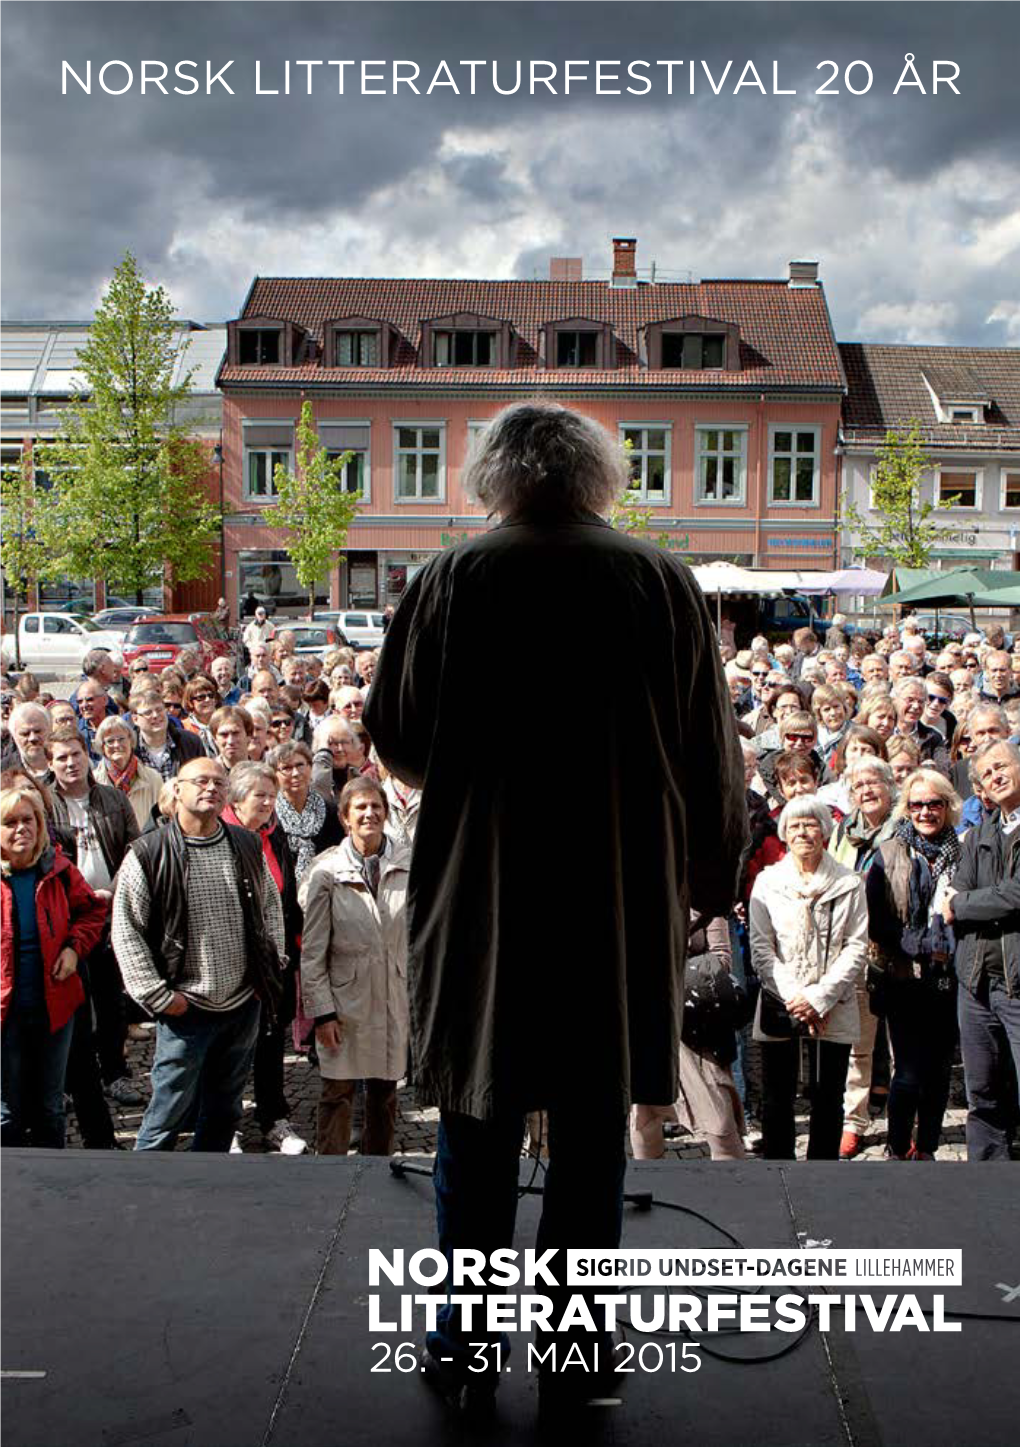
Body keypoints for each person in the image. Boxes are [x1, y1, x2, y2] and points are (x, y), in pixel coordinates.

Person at [365, 401, 747, 1414]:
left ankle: (462, 1338)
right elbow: (715, 753)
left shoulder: (453, 577)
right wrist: (710, 873)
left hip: (483, 886)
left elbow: (396, 734)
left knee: (477, 1120)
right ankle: (576, 1347)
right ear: (598, 475)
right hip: (615, 891)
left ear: (493, 475)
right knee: (589, 1129)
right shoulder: (660, 579)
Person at [111, 757, 286, 1152]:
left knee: (224, 1113)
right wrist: (158, 997)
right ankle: (142, 1195)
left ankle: (208, 1189)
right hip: (185, 1009)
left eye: (219, 783)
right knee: (165, 1116)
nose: (210, 788)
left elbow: (271, 908)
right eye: (201, 781)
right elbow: (126, 931)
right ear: (177, 789)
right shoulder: (147, 853)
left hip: (242, 1006)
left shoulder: (245, 843)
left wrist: (270, 971)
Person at [750, 798, 868, 1160]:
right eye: (795, 825)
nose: (803, 832)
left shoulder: (849, 883)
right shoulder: (768, 882)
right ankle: (777, 1172)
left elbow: (856, 946)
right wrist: (795, 997)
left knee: (830, 1096)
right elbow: (761, 948)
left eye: (811, 824)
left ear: (825, 830)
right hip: (780, 1001)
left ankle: (822, 1176)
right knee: (777, 1097)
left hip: (834, 1003)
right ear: (784, 833)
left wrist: (819, 998)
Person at [300, 776, 411, 1156]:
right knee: (338, 1093)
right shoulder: (326, 871)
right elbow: (313, 950)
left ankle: (379, 1172)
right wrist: (322, 1013)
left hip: (393, 995)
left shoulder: (409, 863)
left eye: (376, 806)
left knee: (384, 1095)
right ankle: (328, 1174)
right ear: (345, 817)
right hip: (344, 1002)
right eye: (360, 807)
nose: (370, 813)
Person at [1, 783, 107, 1146]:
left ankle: (54, 1185)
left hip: (53, 1004)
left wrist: (74, 949)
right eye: (10, 822)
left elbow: (92, 911)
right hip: (5, 1011)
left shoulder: (58, 869)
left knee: (50, 1105)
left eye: (27, 820)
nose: (21, 829)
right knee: (6, 1110)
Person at [866, 768, 962, 1159]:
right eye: (918, 804)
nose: (925, 812)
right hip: (902, 975)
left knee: (938, 1073)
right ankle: (896, 1144)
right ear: (907, 808)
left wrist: (947, 948)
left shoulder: (964, 851)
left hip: (948, 978)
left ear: (947, 807)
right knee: (906, 1073)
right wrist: (923, 946)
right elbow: (876, 920)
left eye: (934, 804)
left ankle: (926, 1148)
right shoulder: (888, 853)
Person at [48, 727, 143, 1107]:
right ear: (51, 763)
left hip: (109, 916)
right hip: (66, 919)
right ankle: (72, 1080)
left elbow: (134, 850)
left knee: (110, 1002)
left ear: (88, 756)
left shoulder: (111, 799)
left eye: (76, 754)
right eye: (61, 757)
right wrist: (80, 897)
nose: (70, 763)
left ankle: (115, 1073)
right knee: (72, 1003)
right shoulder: (45, 804)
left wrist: (114, 891)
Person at [942, 740, 1020, 1160]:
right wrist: (965, 900)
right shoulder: (981, 832)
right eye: (987, 774)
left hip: (1017, 982)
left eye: (1002, 766)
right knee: (983, 1090)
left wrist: (961, 905)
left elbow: (1014, 895)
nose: (995, 776)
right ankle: (989, 1184)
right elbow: (962, 882)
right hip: (975, 981)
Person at [223, 763, 306, 1155]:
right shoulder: (218, 835)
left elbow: (286, 896)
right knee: (229, 1051)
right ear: (237, 799)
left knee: (271, 1046)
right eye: (261, 796)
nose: (270, 803)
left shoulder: (275, 835)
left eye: (272, 796)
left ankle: (274, 1119)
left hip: (274, 965)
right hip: (230, 966)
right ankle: (226, 1124)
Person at [630, 913, 747, 1161]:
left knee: (718, 1115)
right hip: (650, 1021)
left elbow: (721, 961)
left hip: (695, 1024)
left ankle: (736, 1188)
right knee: (644, 1114)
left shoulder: (703, 894)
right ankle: (649, 1183)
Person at [828, 757, 899, 1159]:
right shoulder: (843, 831)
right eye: (858, 786)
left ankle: (908, 1122)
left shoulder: (904, 829)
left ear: (889, 786)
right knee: (860, 1043)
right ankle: (853, 1121)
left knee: (903, 1045)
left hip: (900, 949)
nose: (866, 791)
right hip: (857, 949)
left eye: (874, 783)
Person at [271, 741, 343, 877]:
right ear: (275, 774)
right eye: (286, 768)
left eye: (300, 765)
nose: (295, 773)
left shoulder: (330, 809)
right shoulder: (270, 814)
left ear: (310, 767)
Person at [93, 715, 163, 832]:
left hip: (146, 846)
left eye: (121, 739)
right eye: (110, 741)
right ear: (102, 746)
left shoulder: (153, 778)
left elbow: (161, 820)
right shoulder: (93, 781)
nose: (116, 745)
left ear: (131, 741)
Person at [130, 687, 205, 779]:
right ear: (135, 719)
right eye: (148, 712)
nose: (155, 715)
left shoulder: (191, 742)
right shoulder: (130, 748)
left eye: (159, 710)